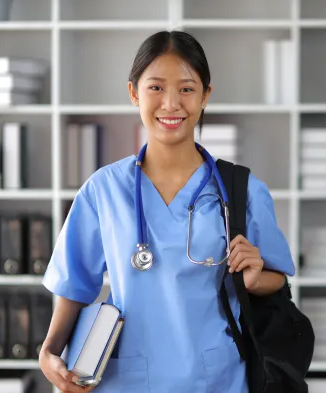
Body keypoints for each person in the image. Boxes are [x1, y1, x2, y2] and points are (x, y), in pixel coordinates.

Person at [38, 30, 295, 393]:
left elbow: (278, 279)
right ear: (133, 93)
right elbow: (74, 285)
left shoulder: (242, 190)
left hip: (215, 379)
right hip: (126, 379)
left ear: (206, 95)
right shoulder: (102, 190)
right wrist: (48, 352)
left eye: (187, 89)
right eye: (156, 87)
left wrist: (253, 279)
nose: (171, 104)